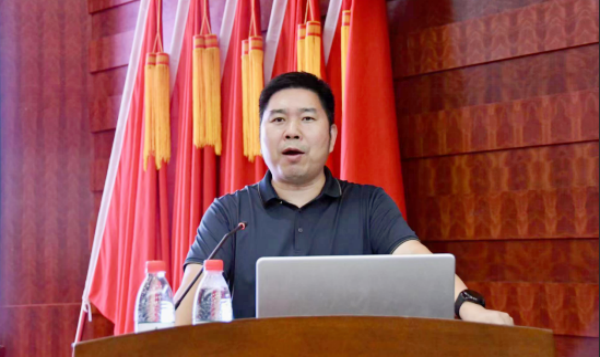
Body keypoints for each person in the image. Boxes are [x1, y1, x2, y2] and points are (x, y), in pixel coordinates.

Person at [175, 72, 514, 326]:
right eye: (278, 120)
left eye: (307, 118)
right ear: (260, 135)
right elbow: (185, 308)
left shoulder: (369, 205)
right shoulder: (228, 213)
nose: (292, 131)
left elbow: (417, 262)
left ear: (332, 135)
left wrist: (470, 308)